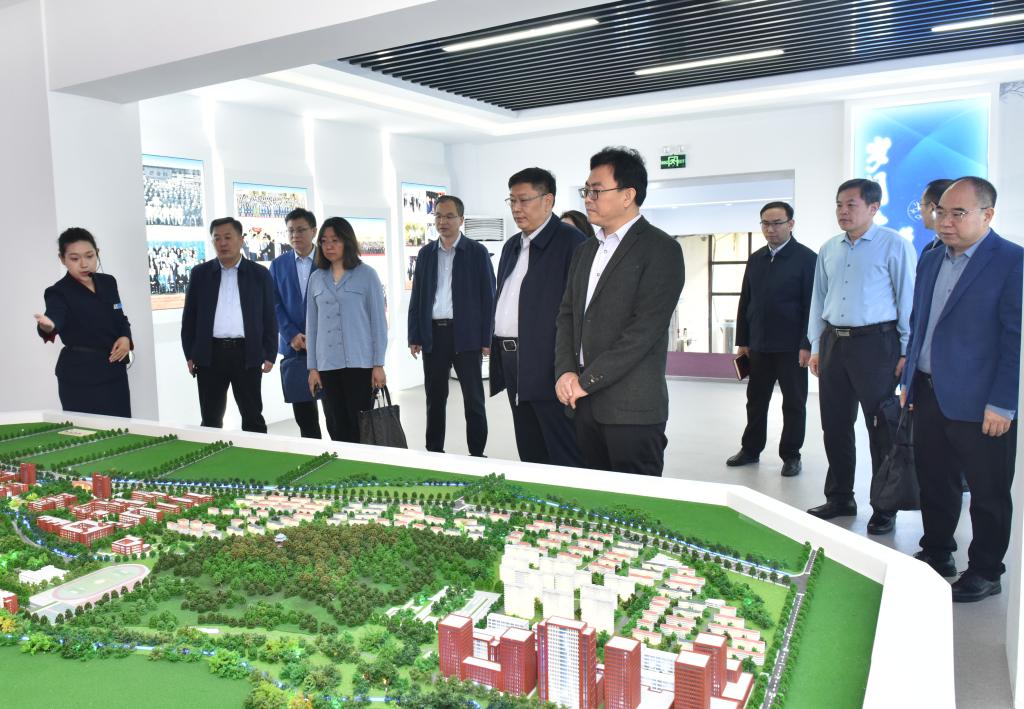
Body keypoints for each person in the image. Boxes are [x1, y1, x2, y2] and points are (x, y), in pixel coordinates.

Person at [900, 177, 1021, 602]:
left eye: (958, 213)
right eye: (940, 211)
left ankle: (986, 570)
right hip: (929, 391)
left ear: (987, 215)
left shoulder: (1012, 261)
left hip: (982, 402)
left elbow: (1016, 339)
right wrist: (908, 382)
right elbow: (918, 323)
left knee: (988, 491)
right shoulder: (932, 258)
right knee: (935, 481)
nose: (944, 221)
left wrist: (1003, 403)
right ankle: (937, 552)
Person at [554, 147, 685, 476]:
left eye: (597, 190)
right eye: (586, 190)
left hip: (632, 410)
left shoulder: (661, 249)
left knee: (637, 502)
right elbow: (567, 316)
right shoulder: (585, 250)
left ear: (628, 195)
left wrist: (586, 381)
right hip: (583, 404)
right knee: (595, 497)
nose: (588, 198)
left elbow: (643, 333)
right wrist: (566, 372)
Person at [805, 179, 916, 534]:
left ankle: (885, 505)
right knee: (835, 425)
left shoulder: (894, 245)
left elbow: (907, 302)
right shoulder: (829, 249)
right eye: (839, 204)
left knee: (880, 427)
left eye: (851, 204)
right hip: (834, 343)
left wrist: (905, 350)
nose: (843, 211)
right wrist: (817, 346)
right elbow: (818, 300)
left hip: (876, 345)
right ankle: (840, 497)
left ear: (873, 207)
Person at [492, 168, 586, 466]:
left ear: (548, 201)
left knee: (560, 447)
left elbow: (578, 312)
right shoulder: (512, 245)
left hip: (549, 363)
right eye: (512, 201)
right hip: (512, 360)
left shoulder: (572, 243)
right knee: (529, 444)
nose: (516, 208)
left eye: (524, 200)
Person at [727, 202, 816, 477]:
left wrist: (806, 344)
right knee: (755, 400)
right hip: (759, 345)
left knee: (793, 403)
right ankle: (750, 449)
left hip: (791, 348)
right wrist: (743, 340)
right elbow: (746, 301)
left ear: (791, 224)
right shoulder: (756, 258)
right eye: (765, 223)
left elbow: (811, 306)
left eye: (777, 223)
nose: (771, 229)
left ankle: (791, 455)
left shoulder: (807, 259)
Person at [408, 195, 496, 456]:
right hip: (434, 335)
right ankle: (434, 451)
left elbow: (489, 297)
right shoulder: (426, 254)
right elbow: (418, 297)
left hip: (466, 335)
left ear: (461, 219)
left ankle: (477, 454)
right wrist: (415, 334)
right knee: (434, 398)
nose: (442, 221)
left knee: (474, 399)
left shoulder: (477, 252)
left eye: (449, 216)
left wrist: (487, 338)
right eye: (438, 216)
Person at [181, 217, 277, 433]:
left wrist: (270, 352)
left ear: (241, 240)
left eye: (228, 237)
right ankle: (212, 454)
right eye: (217, 238)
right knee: (210, 418)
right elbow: (189, 319)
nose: (222, 243)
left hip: (247, 353)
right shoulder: (200, 274)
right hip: (210, 355)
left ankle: (255, 453)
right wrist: (190, 353)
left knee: (252, 416)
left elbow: (269, 317)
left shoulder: (259, 274)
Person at [34, 228, 133, 417]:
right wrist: (48, 326)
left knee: (122, 429)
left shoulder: (108, 282)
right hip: (80, 378)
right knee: (87, 432)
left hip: (115, 373)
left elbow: (120, 318)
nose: (84, 264)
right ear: (62, 259)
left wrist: (125, 337)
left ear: (97, 253)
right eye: (74, 258)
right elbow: (54, 317)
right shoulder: (58, 292)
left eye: (89, 256)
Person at [306, 217, 388, 443]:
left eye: (335, 240)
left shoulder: (367, 275)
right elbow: (311, 327)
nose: (329, 246)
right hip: (327, 364)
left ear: (347, 241)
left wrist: (378, 364)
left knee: (360, 423)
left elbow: (378, 323)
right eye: (324, 241)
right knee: (335, 423)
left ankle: (361, 463)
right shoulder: (316, 278)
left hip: (360, 363)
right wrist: (312, 368)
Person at [269, 208, 331, 439]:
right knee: (305, 419)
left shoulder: (329, 260)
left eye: (301, 230)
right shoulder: (278, 265)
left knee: (335, 413)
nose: (295, 235)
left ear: (313, 231)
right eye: (291, 231)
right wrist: (291, 334)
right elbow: (273, 303)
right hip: (295, 349)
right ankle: (314, 456)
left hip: (328, 349)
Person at [920, 179, 954, 254]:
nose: (920, 211)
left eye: (921, 204)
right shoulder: (929, 248)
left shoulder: (955, 249)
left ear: (932, 208)